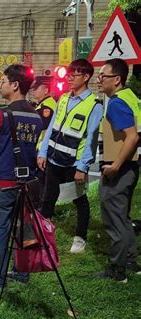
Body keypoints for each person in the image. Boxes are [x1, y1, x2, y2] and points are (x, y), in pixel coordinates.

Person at [0, 64, 42, 287]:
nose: (0, 85)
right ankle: (22, 273)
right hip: (26, 184)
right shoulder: (36, 116)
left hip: (1, 183)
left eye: (3, 81)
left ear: (15, 85)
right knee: (21, 230)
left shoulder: (0, 114)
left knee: (0, 233)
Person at [38, 59, 103, 254]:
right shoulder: (63, 99)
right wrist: (42, 152)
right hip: (54, 159)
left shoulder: (94, 105)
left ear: (86, 77)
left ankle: (80, 237)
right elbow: (52, 127)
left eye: (74, 75)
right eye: (69, 74)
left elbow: (91, 138)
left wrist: (82, 167)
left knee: (79, 201)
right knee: (48, 198)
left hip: (74, 164)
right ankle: (42, 234)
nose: (70, 78)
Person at [96, 58, 140, 282]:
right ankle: (130, 261)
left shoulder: (116, 103)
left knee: (114, 218)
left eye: (103, 75)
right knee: (122, 217)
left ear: (117, 79)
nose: (99, 79)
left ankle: (117, 270)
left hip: (120, 168)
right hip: (132, 166)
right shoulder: (130, 97)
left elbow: (131, 137)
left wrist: (115, 166)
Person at [30, 76, 57, 207]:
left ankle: (41, 211)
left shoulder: (47, 107)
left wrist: (42, 152)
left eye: (36, 88)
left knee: (42, 182)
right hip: (43, 150)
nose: (33, 91)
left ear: (46, 90)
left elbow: (41, 129)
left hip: (44, 151)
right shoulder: (43, 105)